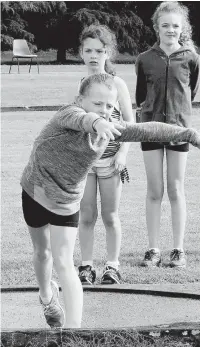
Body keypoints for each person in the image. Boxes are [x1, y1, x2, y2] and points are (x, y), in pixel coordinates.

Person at [21, 73, 200, 329]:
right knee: (42, 253)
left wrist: (189, 134)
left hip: (67, 200)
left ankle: (73, 333)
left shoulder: (111, 129)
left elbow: (146, 130)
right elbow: (82, 119)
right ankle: (47, 296)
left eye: (109, 106)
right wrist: (96, 122)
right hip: (36, 191)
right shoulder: (67, 114)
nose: (104, 111)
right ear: (80, 99)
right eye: (97, 104)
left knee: (64, 262)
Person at [135, 1, 200, 268]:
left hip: (179, 129)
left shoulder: (191, 57)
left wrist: (178, 115)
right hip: (149, 128)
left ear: (182, 27)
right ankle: (153, 249)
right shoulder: (144, 58)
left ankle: (178, 249)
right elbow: (140, 95)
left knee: (175, 188)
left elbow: (191, 91)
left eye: (175, 25)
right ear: (156, 27)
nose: (170, 30)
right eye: (165, 25)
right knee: (154, 190)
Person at [78, 24, 133, 285]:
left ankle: (112, 266)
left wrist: (122, 155)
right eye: (88, 50)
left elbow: (130, 126)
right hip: (86, 163)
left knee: (111, 215)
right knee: (86, 216)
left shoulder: (117, 83)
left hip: (111, 162)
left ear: (107, 53)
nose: (93, 55)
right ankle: (86, 266)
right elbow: (74, 124)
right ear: (81, 53)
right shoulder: (80, 87)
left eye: (98, 51)